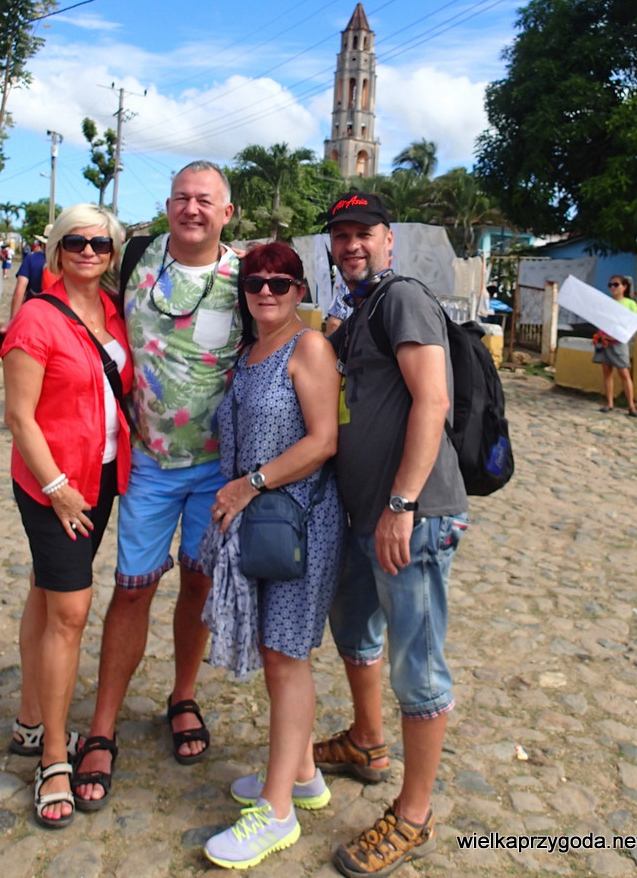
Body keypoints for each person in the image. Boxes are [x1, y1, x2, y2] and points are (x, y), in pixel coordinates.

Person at [73, 161, 242, 806]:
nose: (192, 208)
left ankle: (183, 695)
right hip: (146, 463)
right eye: (182, 198)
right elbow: (79, 292)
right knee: (132, 590)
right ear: (168, 206)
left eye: (205, 200)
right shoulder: (136, 257)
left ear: (227, 213)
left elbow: (283, 344)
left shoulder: (249, 277)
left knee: (198, 582)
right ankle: (102, 726)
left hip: (217, 471)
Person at [314, 190, 469, 878]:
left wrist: (401, 503)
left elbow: (432, 399)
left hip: (412, 516)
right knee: (354, 631)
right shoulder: (360, 309)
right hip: (361, 513)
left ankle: (414, 814)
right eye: (340, 235)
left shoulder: (402, 298)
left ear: (387, 240)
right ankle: (367, 741)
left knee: (417, 664)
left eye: (363, 233)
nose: (351, 244)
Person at [202, 243, 344, 869]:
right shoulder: (250, 351)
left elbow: (323, 440)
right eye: (255, 281)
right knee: (275, 651)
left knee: (286, 658)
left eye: (280, 283)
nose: (266, 291)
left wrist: (248, 485)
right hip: (262, 522)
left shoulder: (308, 347)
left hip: (299, 521)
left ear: (299, 290)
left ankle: (278, 810)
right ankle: (302, 775)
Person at [1, 204, 133, 829]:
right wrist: (56, 488)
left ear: (112, 254)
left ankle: (31, 721)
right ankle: (54, 757)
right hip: (53, 484)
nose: (88, 251)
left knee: (47, 591)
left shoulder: (112, 311)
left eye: (100, 244)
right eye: (76, 241)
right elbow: (19, 416)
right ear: (56, 248)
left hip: (100, 475)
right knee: (71, 611)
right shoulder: (36, 317)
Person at [593, 275, 637, 418]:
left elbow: (633, 323)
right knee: (607, 372)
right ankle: (609, 403)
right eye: (610, 285)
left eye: (616, 284)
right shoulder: (607, 303)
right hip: (604, 340)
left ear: (624, 287)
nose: (613, 287)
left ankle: (631, 405)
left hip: (618, 341)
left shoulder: (630, 303)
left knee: (624, 373)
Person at [9, 234, 48, 320]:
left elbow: (19, 291)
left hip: (31, 313)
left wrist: (12, 320)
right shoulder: (65, 262)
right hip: (57, 316)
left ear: (43, 244)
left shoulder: (31, 259)